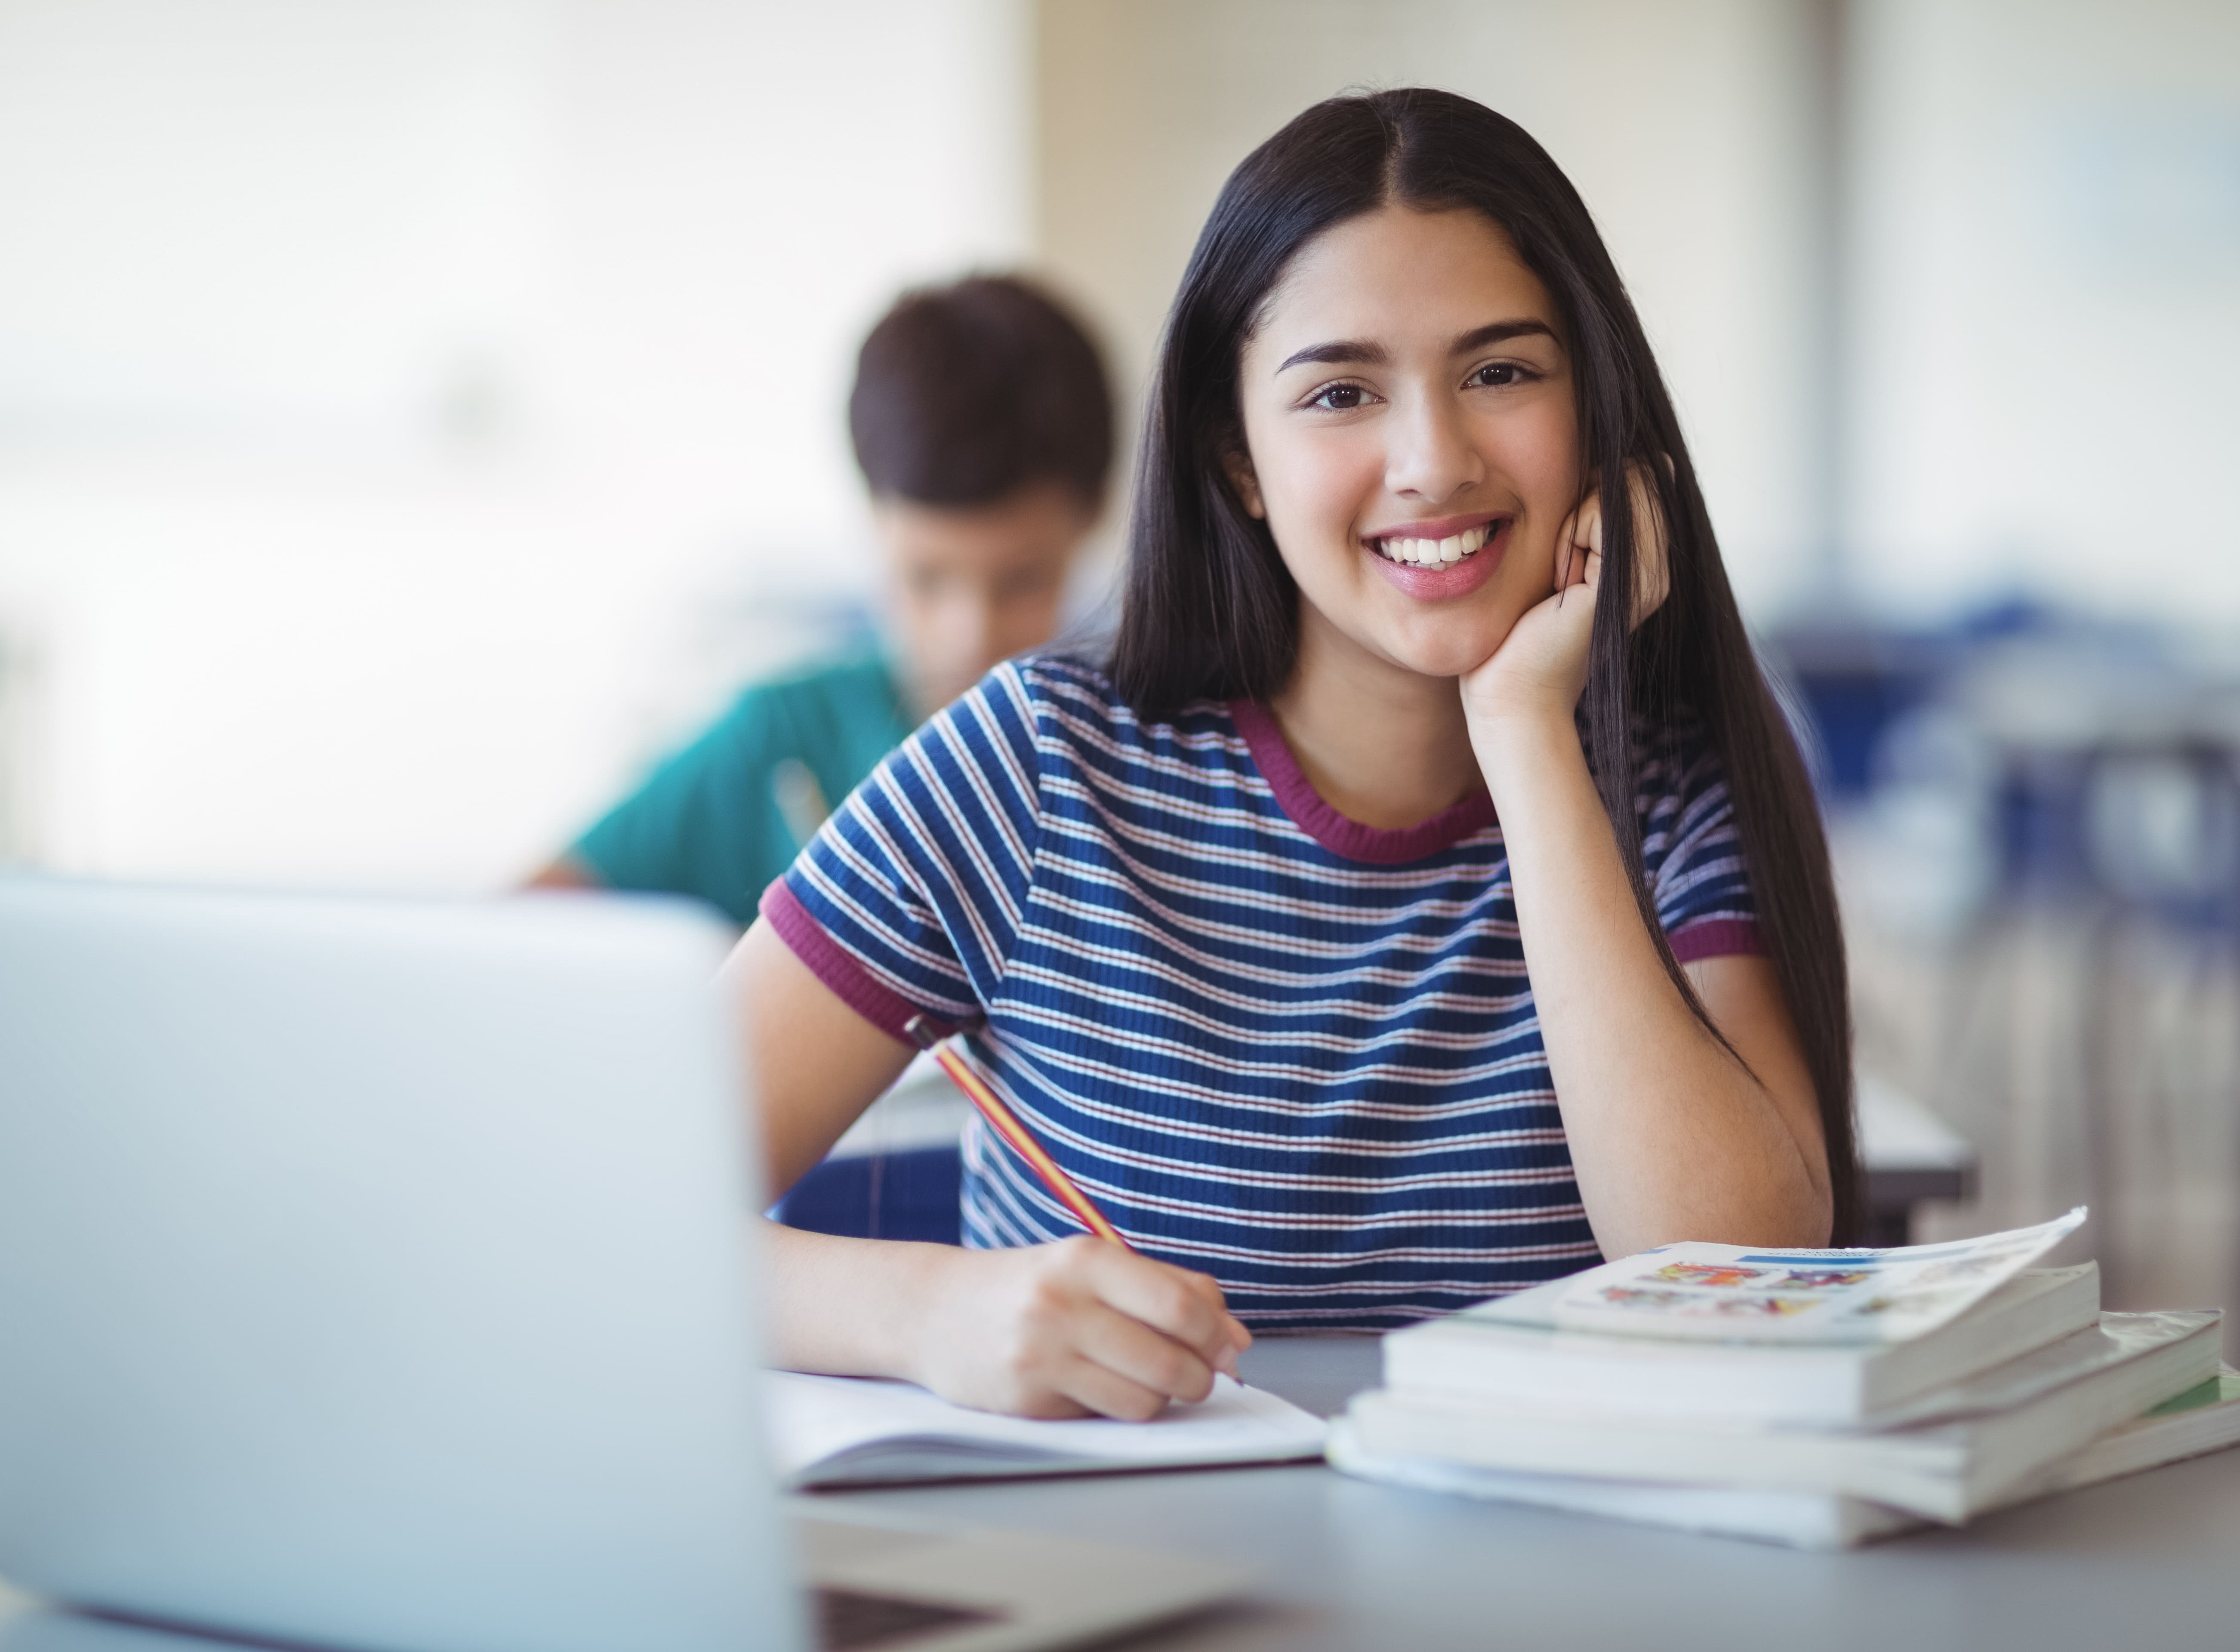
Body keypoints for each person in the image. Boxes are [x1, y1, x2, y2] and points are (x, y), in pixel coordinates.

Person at [728, 89, 1856, 1423]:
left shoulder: (1666, 772)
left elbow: (1732, 1280)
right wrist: (926, 1316)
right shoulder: (1032, 767)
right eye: (1341, 392)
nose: (1432, 462)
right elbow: (592, 1210)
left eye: (1501, 372)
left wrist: (1522, 730)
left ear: (1599, 410)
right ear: (1237, 458)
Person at [530, 276, 1114, 926]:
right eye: (925, 578)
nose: (967, 636)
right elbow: (527, 922)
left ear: (1091, 522)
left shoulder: (1134, 754)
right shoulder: (784, 732)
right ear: (872, 518)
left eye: (1023, 580)